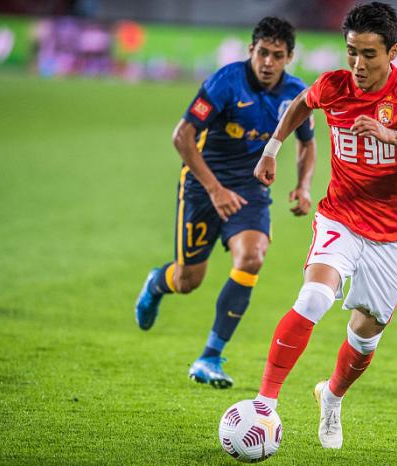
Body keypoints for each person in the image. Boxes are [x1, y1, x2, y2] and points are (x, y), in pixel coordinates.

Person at [252, 2, 397, 449]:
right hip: (340, 216)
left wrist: (391, 135)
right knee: (313, 297)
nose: (358, 64)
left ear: (392, 52)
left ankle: (331, 396)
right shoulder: (334, 86)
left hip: (393, 231)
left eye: (369, 54)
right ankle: (263, 405)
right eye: (352, 52)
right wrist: (272, 149)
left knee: (365, 338)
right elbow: (300, 105)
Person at [135, 17, 316, 389]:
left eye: (277, 55)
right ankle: (157, 283)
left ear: (289, 57)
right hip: (203, 186)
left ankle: (210, 356)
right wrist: (215, 189)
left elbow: (306, 143)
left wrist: (303, 185)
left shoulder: (297, 94)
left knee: (252, 257)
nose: (268, 62)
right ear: (251, 50)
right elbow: (182, 136)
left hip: (250, 189)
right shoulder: (225, 82)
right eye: (262, 53)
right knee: (187, 280)